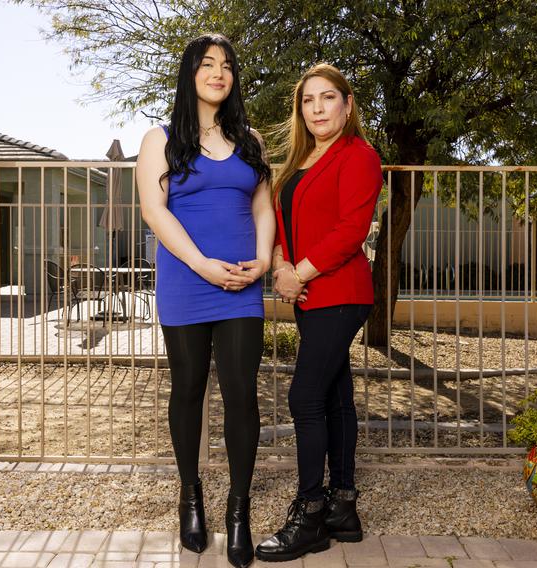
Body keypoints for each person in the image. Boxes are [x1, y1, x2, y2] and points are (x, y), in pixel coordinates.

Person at [137, 34, 274, 568]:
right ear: (190, 73)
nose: (219, 72)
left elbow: (264, 208)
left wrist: (262, 261)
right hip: (188, 282)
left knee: (242, 393)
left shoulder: (251, 141)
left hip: (242, 284)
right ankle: (190, 498)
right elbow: (156, 211)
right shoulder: (161, 139)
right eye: (207, 64)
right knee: (188, 389)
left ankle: (238, 510)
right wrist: (201, 265)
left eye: (227, 65)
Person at [255, 63, 382, 563]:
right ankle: (343, 508)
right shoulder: (301, 160)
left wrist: (297, 274)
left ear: (347, 104)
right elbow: (289, 221)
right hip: (310, 293)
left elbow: (351, 230)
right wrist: (283, 261)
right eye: (308, 101)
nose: (317, 109)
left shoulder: (360, 156)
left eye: (327, 98)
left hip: (341, 292)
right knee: (334, 397)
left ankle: (309, 514)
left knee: (304, 396)